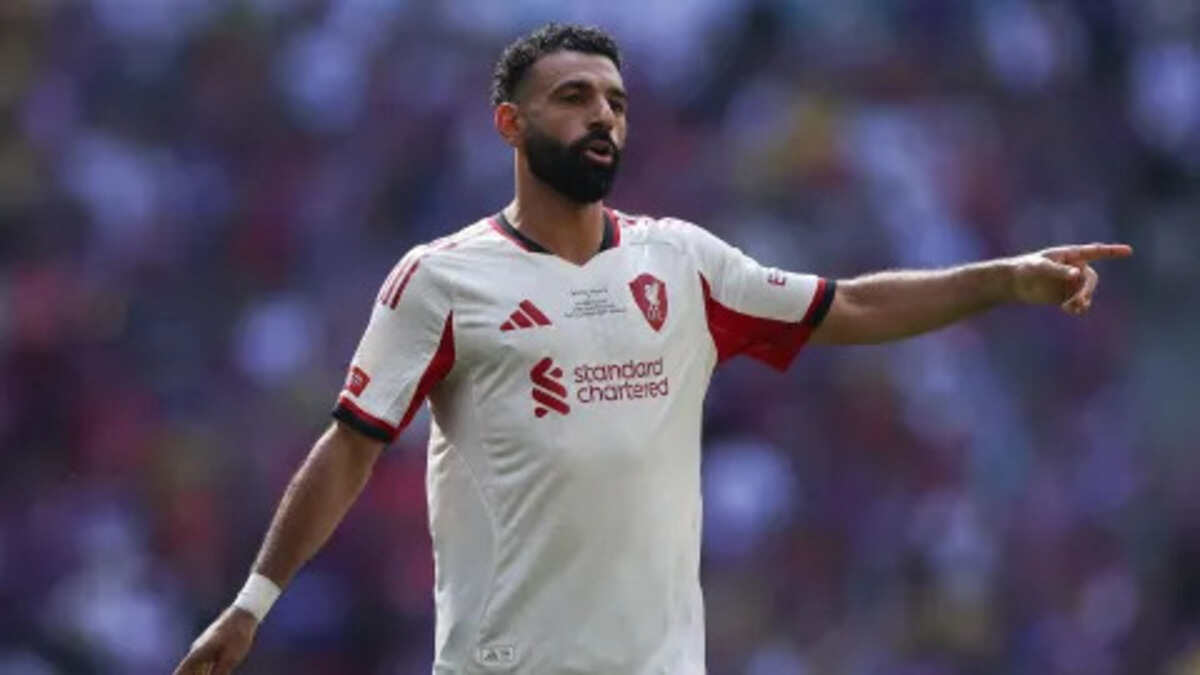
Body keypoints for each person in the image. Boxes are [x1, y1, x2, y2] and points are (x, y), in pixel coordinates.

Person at [173, 22, 1132, 675]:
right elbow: (351, 443)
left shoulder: (683, 262)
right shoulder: (442, 279)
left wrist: (1006, 278)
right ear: (510, 124)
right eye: (574, 97)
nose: (603, 116)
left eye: (616, 102)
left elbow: (848, 305)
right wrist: (253, 601)